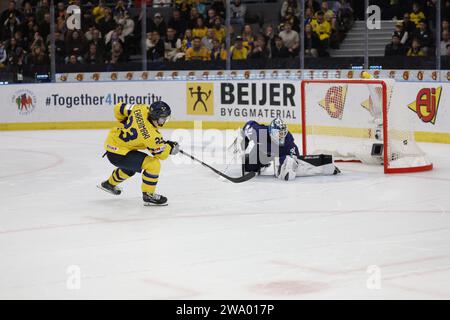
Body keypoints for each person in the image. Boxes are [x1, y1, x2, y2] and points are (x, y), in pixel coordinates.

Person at [98, 101, 179, 206]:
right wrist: (170, 148)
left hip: (113, 144)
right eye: (163, 118)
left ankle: (109, 184)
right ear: (155, 117)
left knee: (130, 168)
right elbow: (161, 155)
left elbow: (118, 107)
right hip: (119, 154)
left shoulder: (141, 108)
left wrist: (124, 121)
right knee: (153, 165)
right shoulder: (152, 136)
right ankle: (148, 195)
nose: (164, 121)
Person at [235, 118, 339, 181]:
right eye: (278, 134)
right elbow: (249, 124)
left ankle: (272, 163)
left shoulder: (288, 142)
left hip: (279, 154)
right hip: (262, 152)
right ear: (271, 132)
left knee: (288, 162)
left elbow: (297, 161)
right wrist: (244, 139)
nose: (281, 137)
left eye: (283, 134)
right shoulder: (260, 133)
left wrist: (325, 166)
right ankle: (261, 163)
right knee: (249, 167)